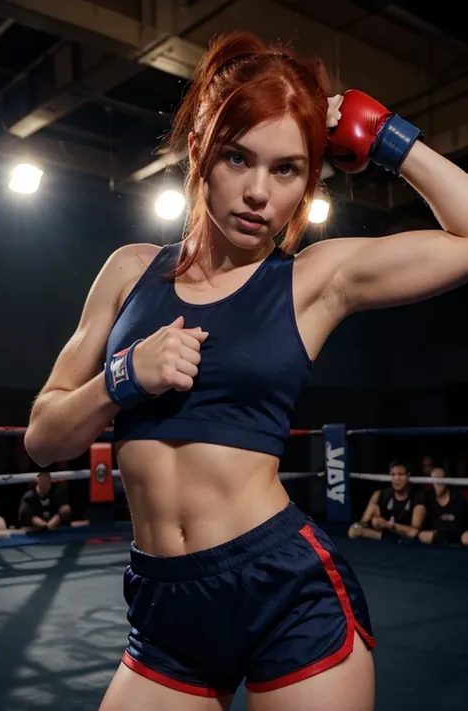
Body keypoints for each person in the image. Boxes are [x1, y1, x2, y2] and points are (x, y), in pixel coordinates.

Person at [23, 29, 468, 711]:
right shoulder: (128, 271)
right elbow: (43, 437)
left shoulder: (313, 280)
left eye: (287, 168)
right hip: (164, 612)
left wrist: (385, 136)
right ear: (201, 147)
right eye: (239, 157)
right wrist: (123, 377)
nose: (260, 192)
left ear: (307, 179)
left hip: (284, 592)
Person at [348, 460, 426, 541]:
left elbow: (414, 532)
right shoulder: (380, 494)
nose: (397, 478)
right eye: (393, 475)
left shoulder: (418, 496)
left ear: (408, 476)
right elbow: (354, 531)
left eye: (401, 474)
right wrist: (377, 524)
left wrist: (391, 526)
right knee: (371, 518)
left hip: (408, 542)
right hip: (384, 539)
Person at [418, 467, 468, 546]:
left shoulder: (459, 496)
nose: (437, 483)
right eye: (434, 480)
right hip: (438, 536)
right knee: (422, 535)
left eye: (439, 479)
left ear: (446, 480)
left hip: (459, 534)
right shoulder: (429, 498)